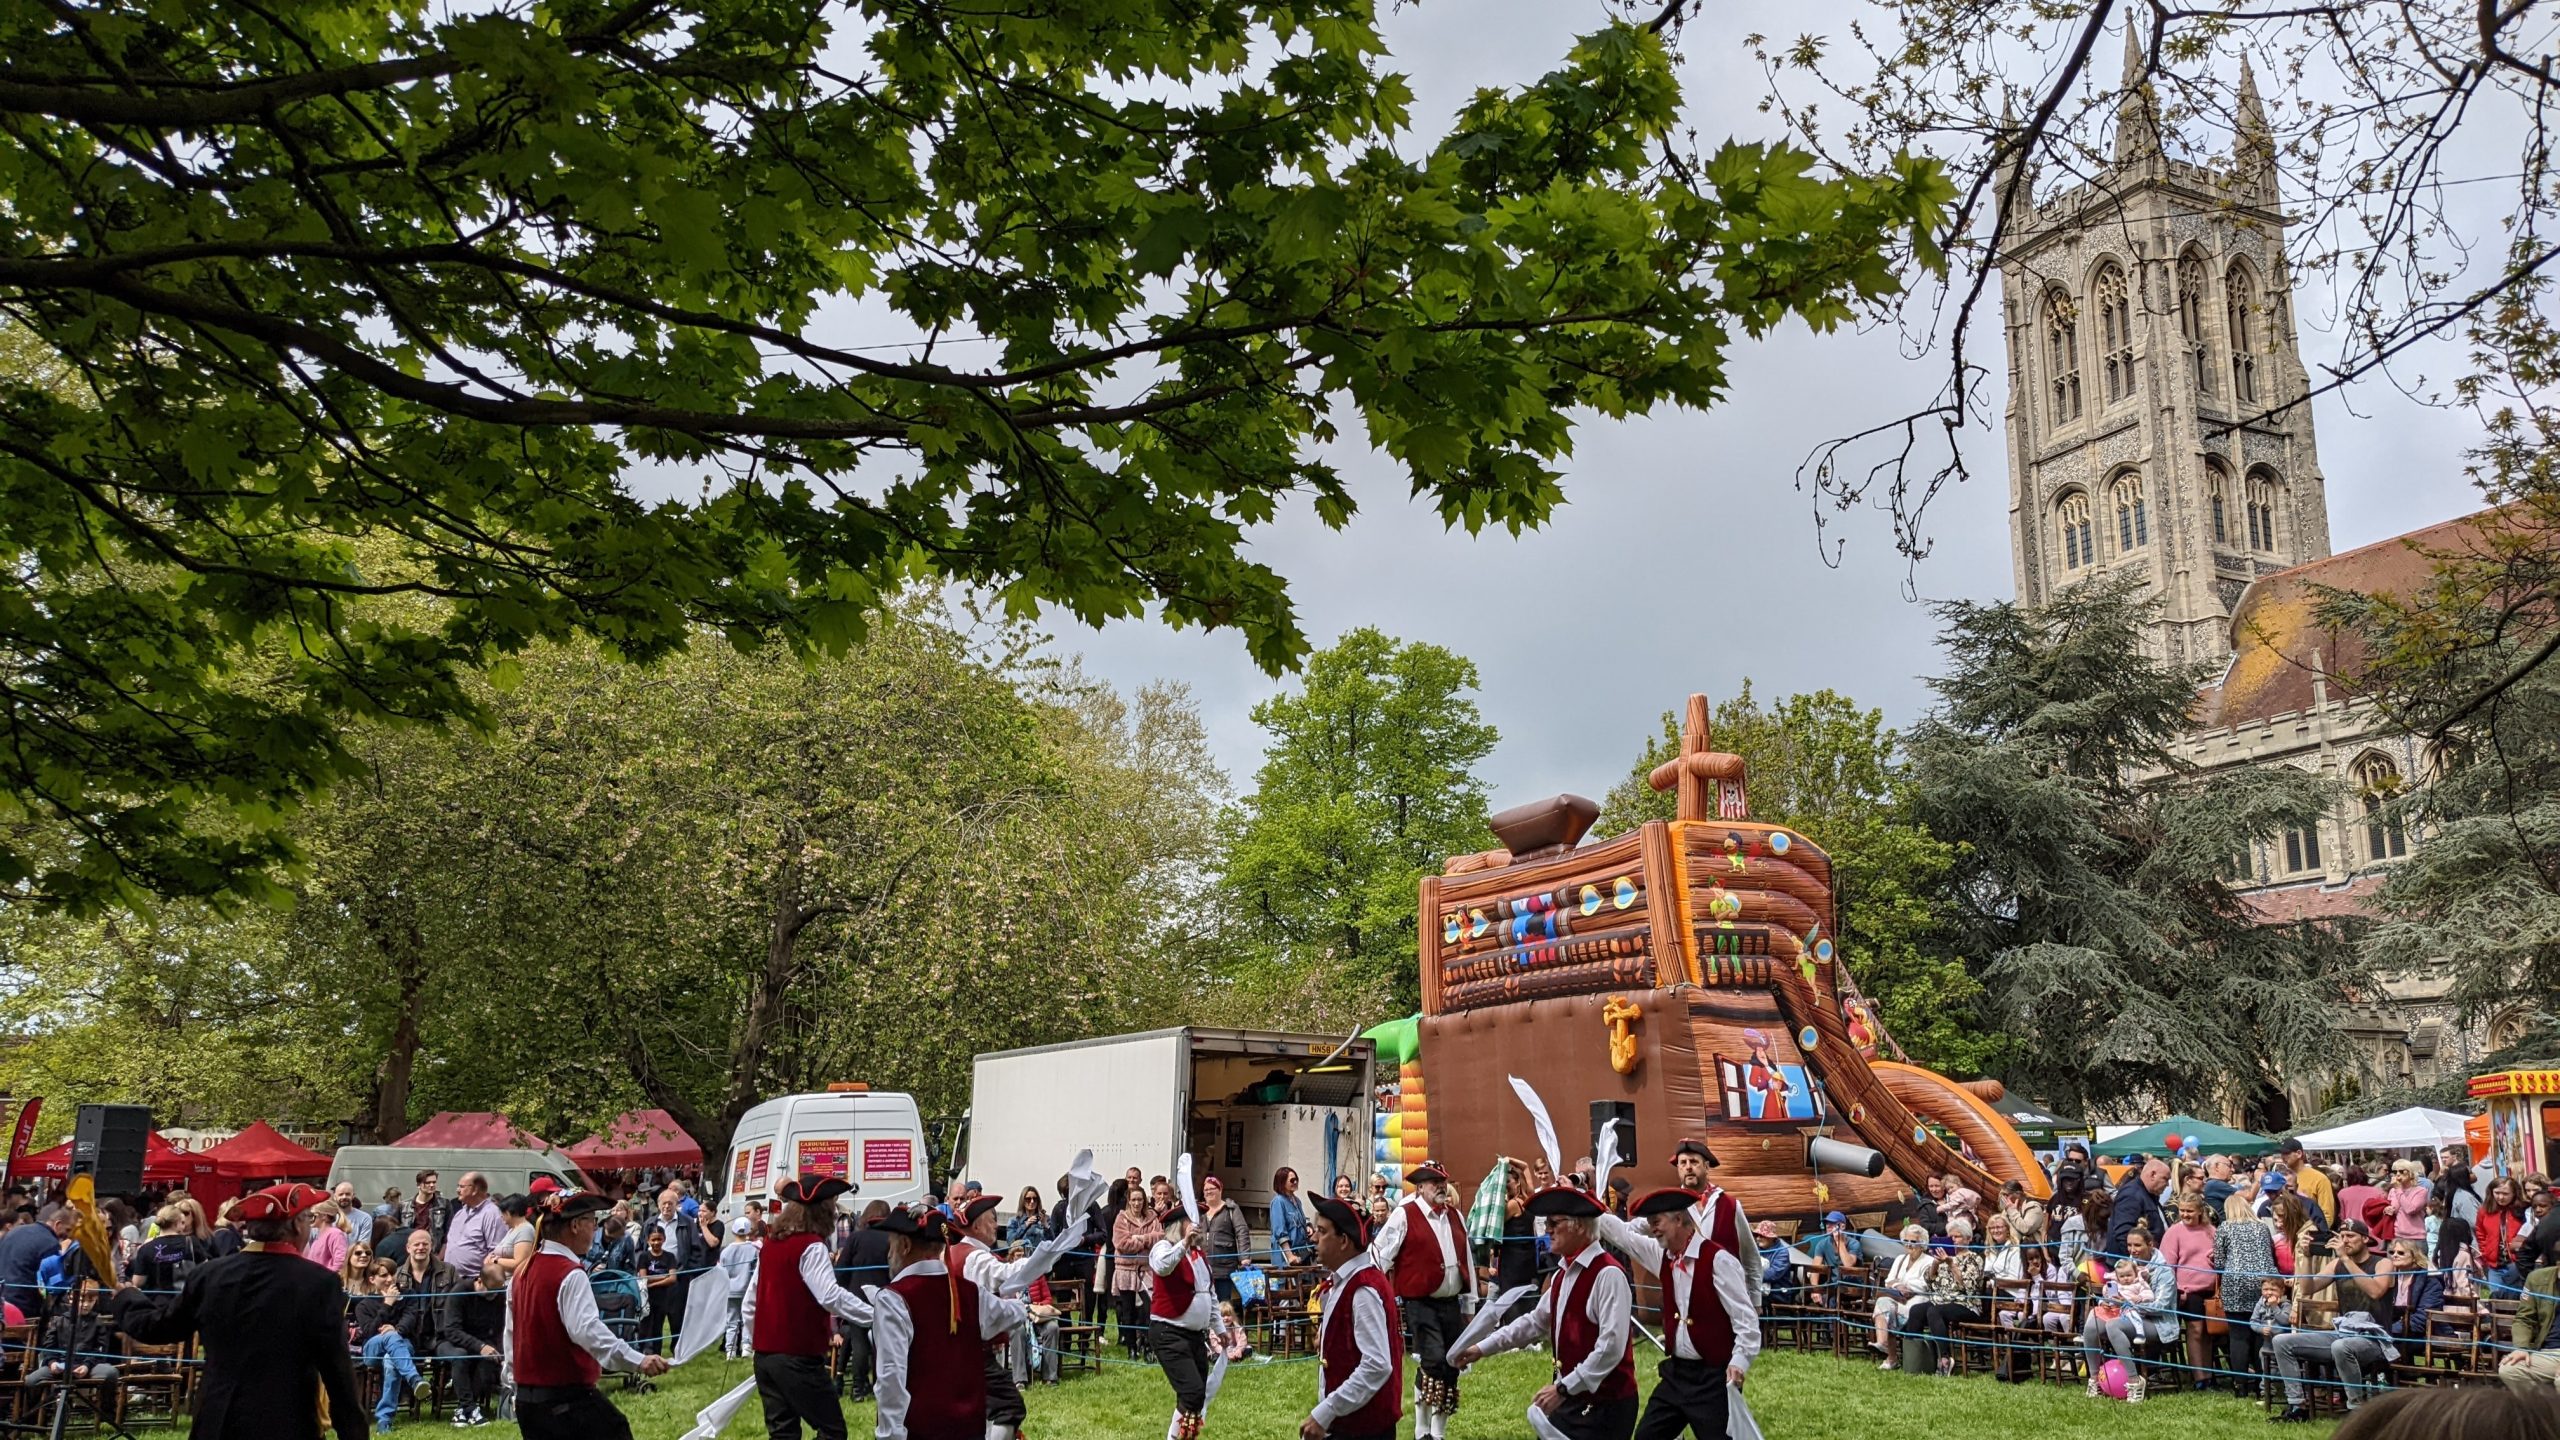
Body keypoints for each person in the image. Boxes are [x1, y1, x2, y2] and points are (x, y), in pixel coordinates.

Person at [113, 1182, 365, 1440]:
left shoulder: (209, 1275)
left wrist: (127, 1296)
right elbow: (337, 1372)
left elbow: (157, 1326)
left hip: (217, 1421)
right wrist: (353, 1432)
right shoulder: (319, 1283)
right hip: (287, 1422)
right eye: (308, 1218)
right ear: (296, 1225)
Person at [1451, 1184, 1636, 1440]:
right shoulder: (1563, 1273)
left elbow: (1610, 1348)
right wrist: (1481, 1348)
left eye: (1554, 1222)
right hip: (1570, 1399)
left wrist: (1562, 1389)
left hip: (1605, 1406)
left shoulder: (1608, 1275)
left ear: (1580, 1225)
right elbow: (1534, 1322)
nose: (1547, 1229)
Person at [499, 1183, 670, 1440]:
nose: (595, 1228)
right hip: (566, 1398)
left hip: (529, 1401)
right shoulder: (568, 1273)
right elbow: (588, 1331)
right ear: (575, 1225)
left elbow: (511, 1336)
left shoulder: (521, 1273)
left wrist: (514, 1384)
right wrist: (638, 1360)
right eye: (592, 1221)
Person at [1593, 1187, 1757, 1436]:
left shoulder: (1718, 1260)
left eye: (1656, 1222)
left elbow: (1746, 1320)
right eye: (1650, 1223)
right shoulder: (1661, 1255)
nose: (1652, 1228)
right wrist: (1584, 1202)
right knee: (1647, 1435)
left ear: (1679, 1219)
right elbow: (1623, 1237)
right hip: (1677, 1376)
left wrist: (1739, 1362)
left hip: (1712, 1379)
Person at [872, 1207, 1029, 1440]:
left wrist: (890, 1436)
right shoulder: (971, 1293)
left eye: (892, 1245)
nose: (888, 1254)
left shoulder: (893, 1298)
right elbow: (1013, 1313)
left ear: (905, 1246)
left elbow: (891, 1379)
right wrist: (1018, 1300)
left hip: (922, 1431)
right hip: (969, 1430)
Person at [952, 1191, 1086, 1440]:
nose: (995, 1225)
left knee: (985, 1408)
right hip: (970, 1348)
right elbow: (1009, 1276)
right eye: (992, 1219)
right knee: (1008, 1406)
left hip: (961, 1346)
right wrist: (1050, 1253)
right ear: (978, 1225)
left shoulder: (957, 1252)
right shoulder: (975, 1257)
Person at [746, 1177, 870, 1440]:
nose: (836, 1212)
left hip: (766, 1357)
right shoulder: (811, 1246)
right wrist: (875, 1315)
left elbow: (750, 1304)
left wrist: (760, 1339)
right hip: (798, 1357)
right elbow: (830, 1295)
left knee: (783, 1434)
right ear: (821, 1211)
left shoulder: (771, 1246)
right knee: (832, 1431)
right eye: (832, 1205)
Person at [1367, 1161, 1477, 1440]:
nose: (1440, 1186)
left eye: (1442, 1181)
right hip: (1420, 1302)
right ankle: (1421, 1429)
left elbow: (1467, 1260)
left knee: (1452, 1362)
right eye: (1433, 1181)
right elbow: (1379, 1255)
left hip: (1450, 1301)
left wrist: (1469, 1305)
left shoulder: (1454, 1216)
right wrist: (1372, 1292)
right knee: (1434, 1359)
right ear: (1420, 1187)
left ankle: (1438, 1433)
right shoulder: (1405, 1214)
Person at [2270, 1224, 2400, 1422]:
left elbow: (2375, 1291)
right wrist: (2305, 1257)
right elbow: (2308, 1287)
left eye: (2350, 1236)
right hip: (2344, 1332)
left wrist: (2346, 1259)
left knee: (2341, 1346)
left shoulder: (2382, 1263)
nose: (2345, 1240)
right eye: (2342, 1236)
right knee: (2282, 1341)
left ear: (2365, 1239)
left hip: (2375, 1339)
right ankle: (2297, 1406)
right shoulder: (2338, 1264)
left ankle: (2357, 1410)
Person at [1301, 1194, 1401, 1440]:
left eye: (1322, 1232)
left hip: (1363, 1429)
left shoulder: (1363, 1289)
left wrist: (1326, 1412)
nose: (1314, 1237)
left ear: (1344, 1240)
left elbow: (1377, 1365)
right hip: (1350, 1424)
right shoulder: (1347, 1281)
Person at [1149, 1200, 1218, 1440]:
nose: (1199, 1225)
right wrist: (1184, 1244)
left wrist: (1220, 1330)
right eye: (1193, 1220)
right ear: (1179, 1226)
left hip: (1195, 1335)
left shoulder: (1199, 1256)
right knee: (1192, 1392)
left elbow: (1210, 1293)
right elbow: (1162, 1266)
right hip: (1169, 1332)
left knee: (1196, 1397)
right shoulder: (1162, 1248)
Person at [1666, 1138, 1757, 1306]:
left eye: (1694, 1162)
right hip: (1685, 1298)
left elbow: (1750, 1256)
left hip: (1726, 1297)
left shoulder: (1730, 1205)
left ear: (1706, 1167)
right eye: (1683, 1163)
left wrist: (1755, 1301)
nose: (1688, 1167)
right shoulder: (1670, 1207)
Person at [2212, 1187, 2284, 1394]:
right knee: (2260, 1331)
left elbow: (2219, 1262)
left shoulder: (2225, 1227)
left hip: (2235, 1282)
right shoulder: (2262, 1226)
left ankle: (2240, 1384)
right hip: (2264, 1282)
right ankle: (2264, 1382)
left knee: (2238, 1335)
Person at [1906, 1215, 1985, 1377]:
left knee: (1935, 1311)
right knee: (1917, 1310)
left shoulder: (1974, 1258)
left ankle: (1945, 1359)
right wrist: (1936, 1263)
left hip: (1966, 1304)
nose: (1953, 1240)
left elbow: (1969, 1287)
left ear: (1968, 1238)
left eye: (1957, 1236)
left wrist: (1951, 1264)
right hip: (1941, 1300)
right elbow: (1930, 1282)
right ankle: (1915, 1358)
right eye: (1951, 1237)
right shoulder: (1944, 1256)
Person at [2160, 1195, 2221, 1391]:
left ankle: (2209, 1374)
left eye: (2189, 1211)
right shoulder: (2174, 1233)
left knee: (2209, 1333)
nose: (2185, 1214)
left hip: (2210, 1291)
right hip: (2188, 1291)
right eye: (2182, 1210)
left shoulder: (2211, 1231)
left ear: (2200, 1211)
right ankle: (2199, 1378)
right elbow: (2167, 1266)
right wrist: (2177, 1291)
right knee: (2196, 1332)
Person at [837, 1200, 894, 1401]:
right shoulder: (891, 1238)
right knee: (883, 1344)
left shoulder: (856, 1238)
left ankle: (858, 1389)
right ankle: (881, 1385)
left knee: (859, 1343)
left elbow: (841, 1267)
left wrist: (843, 1291)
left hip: (857, 1296)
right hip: (883, 1295)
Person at [438, 1258, 506, 1427]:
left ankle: (463, 1410)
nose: (493, 1296)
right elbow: (451, 1330)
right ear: (479, 1281)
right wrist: (480, 1346)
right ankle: (470, 1408)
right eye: (490, 1291)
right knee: (461, 1356)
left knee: (490, 1360)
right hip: (449, 1342)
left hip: (483, 1342)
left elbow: (499, 1328)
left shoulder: (499, 1296)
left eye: (497, 1292)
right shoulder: (460, 1292)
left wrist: (497, 1349)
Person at [1868, 1225, 1933, 1367]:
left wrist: (1903, 1283)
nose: (1909, 1244)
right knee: (1883, 1302)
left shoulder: (1929, 1261)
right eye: (1906, 1240)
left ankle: (1891, 1358)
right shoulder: (1900, 1259)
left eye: (1913, 1241)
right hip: (1898, 1297)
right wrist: (1898, 1286)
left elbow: (1924, 1285)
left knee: (1889, 1311)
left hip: (1918, 1301)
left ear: (1922, 1243)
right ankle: (1883, 1344)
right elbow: (1888, 1281)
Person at [1112, 1182, 1163, 1360]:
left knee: (1150, 1309)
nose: (1136, 1203)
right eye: (1133, 1200)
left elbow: (1160, 1238)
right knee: (1128, 1311)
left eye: (1140, 1199)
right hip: (1125, 1270)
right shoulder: (1121, 1219)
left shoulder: (1152, 1217)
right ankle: (1131, 1347)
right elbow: (1121, 1244)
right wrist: (1144, 1243)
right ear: (1128, 1201)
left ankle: (1148, 1346)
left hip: (1147, 1270)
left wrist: (1140, 1237)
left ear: (1145, 1200)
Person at [131, 1202, 210, 1296]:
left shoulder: (146, 1248)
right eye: (182, 1222)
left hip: (157, 1302)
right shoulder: (191, 1243)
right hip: (186, 1299)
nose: (184, 1226)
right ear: (176, 1223)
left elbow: (138, 1282)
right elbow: (206, 1270)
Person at [1196, 1176, 1251, 1310]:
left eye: (1212, 1188)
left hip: (1224, 1266)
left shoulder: (1231, 1209)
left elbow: (1242, 1232)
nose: (1208, 1192)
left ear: (1220, 1189)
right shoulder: (1199, 1210)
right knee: (1204, 1303)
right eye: (1205, 1190)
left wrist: (1245, 1257)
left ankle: (1225, 1330)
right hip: (1202, 1266)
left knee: (1223, 1304)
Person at [442, 1175, 506, 1282]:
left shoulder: (492, 1214)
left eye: (462, 1187)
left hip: (474, 1281)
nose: (458, 1190)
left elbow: (496, 1251)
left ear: (475, 1189)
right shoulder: (460, 1213)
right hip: (450, 1278)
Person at [2105, 1158, 2167, 1258]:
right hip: (2130, 1266)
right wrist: (2135, 1264)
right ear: (2153, 1174)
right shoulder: (2132, 1195)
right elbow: (2123, 1234)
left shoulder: (2148, 1193)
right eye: (2165, 1179)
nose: (2167, 1184)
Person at [720, 1214, 760, 1359]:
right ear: (749, 1231)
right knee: (747, 1318)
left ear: (733, 1231)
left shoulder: (725, 1251)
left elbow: (722, 1272)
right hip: (748, 1290)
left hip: (730, 1290)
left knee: (731, 1320)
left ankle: (730, 1350)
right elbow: (756, 1271)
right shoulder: (753, 1250)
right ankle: (746, 1347)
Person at [2482, 1177, 2529, 1294]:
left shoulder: (2523, 1210)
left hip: (2516, 1264)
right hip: (2494, 1265)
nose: (2501, 1197)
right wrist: (2486, 1252)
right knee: (2495, 1299)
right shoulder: (2485, 1210)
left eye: (2505, 1193)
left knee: (2516, 1299)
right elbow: (2480, 1233)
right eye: (2497, 1193)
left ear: (2514, 1193)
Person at [2277, 1138, 2336, 1227]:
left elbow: (2327, 1215)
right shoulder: (2280, 1178)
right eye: (2281, 1153)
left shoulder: (2319, 1179)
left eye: (2286, 1153)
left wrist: (2318, 1235)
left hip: (2309, 1235)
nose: (2283, 1157)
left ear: (2299, 1154)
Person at [1269, 1168, 1311, 1269]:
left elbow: (1300, 1222)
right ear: (1282, 1182)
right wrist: (1289, 1256)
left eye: (1296, 1179)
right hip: (1285, 1257)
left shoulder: (1297, 1201)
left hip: (1301, 1254)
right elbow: (1280, 1231)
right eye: (1292, 1180)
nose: (1295, 1182)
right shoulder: (1278, 1202)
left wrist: (1308, 1227)